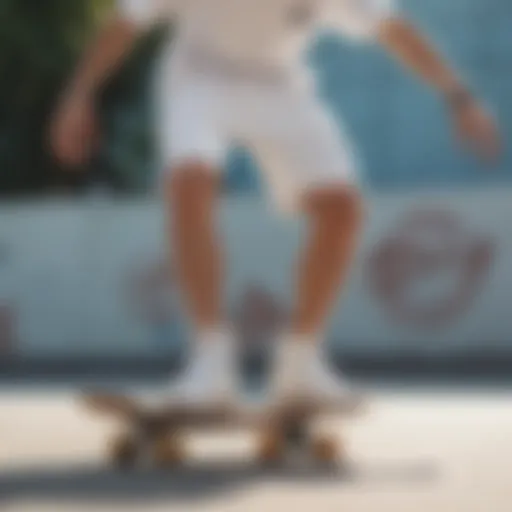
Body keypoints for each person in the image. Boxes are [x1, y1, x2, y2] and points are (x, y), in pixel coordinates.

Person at [50, 0, 501, 409]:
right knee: (190, 179)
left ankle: (301, 363)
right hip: (199, 77)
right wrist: (78, 94)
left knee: (341, 207)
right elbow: (126, 22)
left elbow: (393, 30)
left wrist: (457, 95)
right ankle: (209, 362)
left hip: (279, 83)